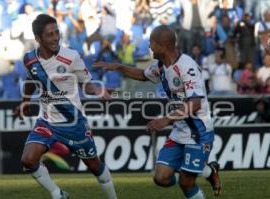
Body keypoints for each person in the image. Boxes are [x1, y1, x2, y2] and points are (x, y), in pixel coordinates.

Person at [95, 25, 221, 198]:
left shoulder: (187, 66)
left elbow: (195, 103)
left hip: (198, 131)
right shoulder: (160, 66)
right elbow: (142, 75)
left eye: (151, 43)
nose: (149, 46)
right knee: (161, 178)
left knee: (186, 183)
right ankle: (207, 170)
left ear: (162, 45)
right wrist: (119, 67)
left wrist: (166, 120)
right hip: (180, 129)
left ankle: (196, 174)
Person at [14, 14, 117, 199]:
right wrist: (25, 101)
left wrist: (98, 90)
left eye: (56, 32)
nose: (55, 38)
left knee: (94, 165)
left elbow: (87, 83)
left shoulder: (71, 57)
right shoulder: (30, 59)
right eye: (49, 34)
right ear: (38, 38)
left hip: (73, 123)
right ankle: (57, 193)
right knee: (28, 161)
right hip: (46, 121)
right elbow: (31, 78)